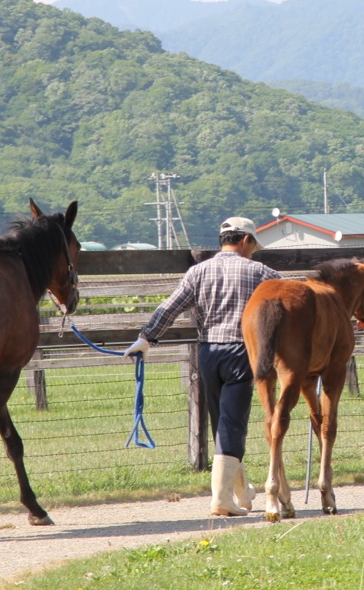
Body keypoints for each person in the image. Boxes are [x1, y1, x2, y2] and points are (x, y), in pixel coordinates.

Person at [124, 216, 280, 516]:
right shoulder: (262, 272)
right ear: (246, 240)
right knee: (233, 423)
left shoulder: (198, 271)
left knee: (221, 420)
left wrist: (146, 338)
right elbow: (296, 302)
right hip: (242, 353)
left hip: (208, 353)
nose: (253, 251)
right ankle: (221, 500)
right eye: (253, 245)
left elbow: (169, 308)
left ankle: (242, 493)